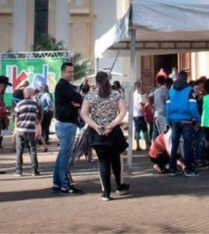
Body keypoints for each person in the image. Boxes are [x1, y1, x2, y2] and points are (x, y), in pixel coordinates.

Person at [81, 71, 129, 201]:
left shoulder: (90, 97)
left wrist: (95, 125)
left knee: (103, 161)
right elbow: (123, 111)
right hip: (113, 132)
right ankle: (119, 186)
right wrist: (112, 124)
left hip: (98, 132)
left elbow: (84, 113)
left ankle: (106, 193)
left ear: (96, 82)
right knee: (116, 160)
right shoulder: (115, 94)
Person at [52, 62, 84, 194]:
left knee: (62, 155)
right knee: (66, 155)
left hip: (64, 123)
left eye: (72, 71)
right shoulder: (63, 86)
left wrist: (75, 103)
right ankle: (65, 184)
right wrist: (76, 103)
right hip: (66, 124)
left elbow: (77, 98)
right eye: (69, 72)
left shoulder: (64, 86)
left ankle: (57, 182)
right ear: (63, 72)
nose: (72, 74)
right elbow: (78, 97)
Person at [166, 70, 201, 176]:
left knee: (174, 145)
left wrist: (168, 121)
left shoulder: (171, 90)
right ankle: (189, 169)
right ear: (186, 78)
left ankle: (172, 169)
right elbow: (193, 107)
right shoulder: (189, 90)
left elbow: (167, 107)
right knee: (187, 145)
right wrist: (198, 119)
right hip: (186, 121)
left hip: (174, 121)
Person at [14, 86, 42, 176]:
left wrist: (15, 128)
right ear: (32, 94)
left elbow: (16, 117)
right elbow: (38, 117)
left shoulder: (19, 104)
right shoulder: (35, 104)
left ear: (24, 93)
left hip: (20, 130)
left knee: (19, 150)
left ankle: (19, 171)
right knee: (32, 149)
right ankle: (34, 170)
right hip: (31, 130)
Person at [132, 81, 148, 151]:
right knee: (145, 130)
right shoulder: (138, 95)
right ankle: (147, 145)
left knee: (137, 130)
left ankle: (138, 145)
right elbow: (140, 105)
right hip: (139, 115)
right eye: (140, 87)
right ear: (137, 87)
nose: (141, 88)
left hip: (135, 115)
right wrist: (144, 114)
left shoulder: (133, 94)